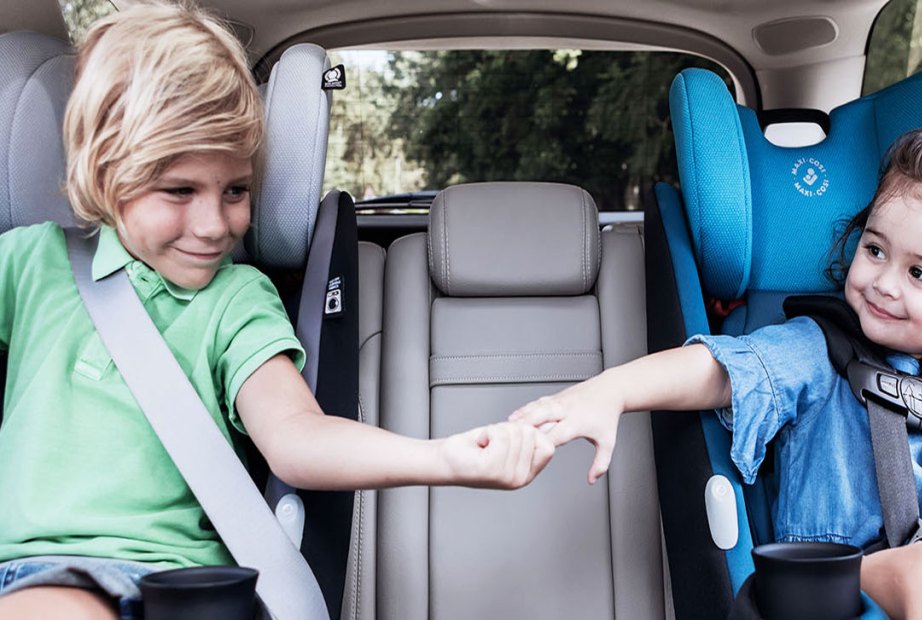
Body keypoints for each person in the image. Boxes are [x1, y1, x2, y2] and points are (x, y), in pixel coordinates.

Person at [0, 4, 554, 619]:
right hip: (21, 570)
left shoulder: (235, 299)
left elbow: (295, 435)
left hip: (168, 585)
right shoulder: (29, 265)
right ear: (104, 175)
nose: (215, 226)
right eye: (179, 191)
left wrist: (442, 458)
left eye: (236, 190)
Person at [512, 125, 922, 618]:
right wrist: (611, 391)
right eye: (874, 250)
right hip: (835, 585)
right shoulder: (816, 349)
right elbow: (718, 371)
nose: (885, 283)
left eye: (919, 273)